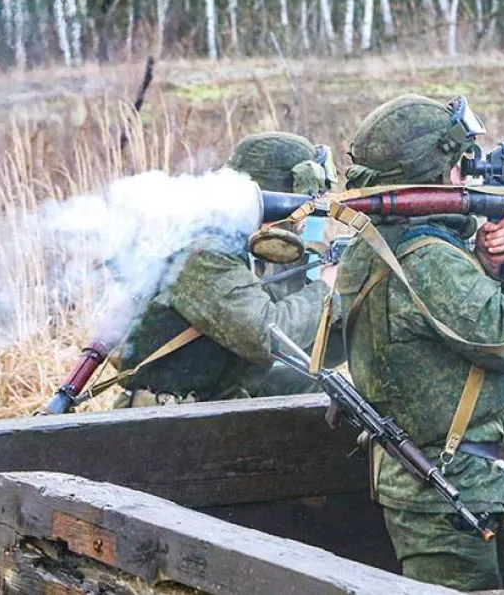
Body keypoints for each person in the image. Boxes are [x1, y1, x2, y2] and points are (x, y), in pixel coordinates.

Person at [334, 94, 504, 591]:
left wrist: (487, 265)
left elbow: (433, 327)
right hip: (447, 487)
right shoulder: (425, 257)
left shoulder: (382, 240)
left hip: (434, 480)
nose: (468, 173)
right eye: (459, 164)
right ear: (435, 171)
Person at [110, 131, 342, 408]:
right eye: (303, 206)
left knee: (325, 388)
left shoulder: (246, 249)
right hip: (167, 423)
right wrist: (328, 288)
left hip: (211, 404)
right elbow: (268, 335)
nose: (305, 222)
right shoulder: (204, 254)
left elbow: (306, 347)